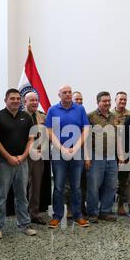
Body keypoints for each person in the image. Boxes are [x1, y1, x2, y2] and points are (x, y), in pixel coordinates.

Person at [0, 89, 37, 238]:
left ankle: (24, 224)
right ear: (5, 100)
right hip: (3, 163)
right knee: (1, 196)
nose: (16, 101)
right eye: (12, 98)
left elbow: (31, 140)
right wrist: (9, 157)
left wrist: (23, 156)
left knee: (22, 195)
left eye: (18, 98)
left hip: (22, 162)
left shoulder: (26, 117)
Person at [45, 85, 90, 228]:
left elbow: (86, 130)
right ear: (59, 95)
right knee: (58, 186)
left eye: (69, 92)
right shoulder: (52, 110)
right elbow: (49, 131)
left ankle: (77, 215)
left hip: (77, 153)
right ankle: (57, 216)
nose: (68, 94)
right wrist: (62, 148)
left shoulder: (80, 109)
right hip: (59, 154)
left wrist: (75, 148)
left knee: (76, 187)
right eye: (64, 92)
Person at [85, 91, 118, 223]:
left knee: (111, 185)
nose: (107, 103)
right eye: (104, 101)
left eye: (109, 100)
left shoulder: (114, 117)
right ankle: (92, 212)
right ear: (98, 102)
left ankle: (105, 211)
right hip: (95, 155)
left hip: (111, 156)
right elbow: (86, 138)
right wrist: (87, 157)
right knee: (93, 186)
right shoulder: (90, 116)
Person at [24, 91, 47, 225]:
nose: (34, 102)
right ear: (25, 102)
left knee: (36, 186)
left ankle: (34, 213)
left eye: (36, 100)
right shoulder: (20, 116)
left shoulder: (42, 116)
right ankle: (21, 214)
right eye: (31, 100)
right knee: (21, 186)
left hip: (38, 156)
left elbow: (47, 135)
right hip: (24, 156)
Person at [112, 91, 130, 215]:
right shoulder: (109, 114)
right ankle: (104, 205)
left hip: (126, 151)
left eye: (125, 100)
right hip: (109, 151)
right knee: (108, 180)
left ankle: (120, 205)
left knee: (123, 181)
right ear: (115, 100)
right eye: (120, 99)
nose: (123, 102)